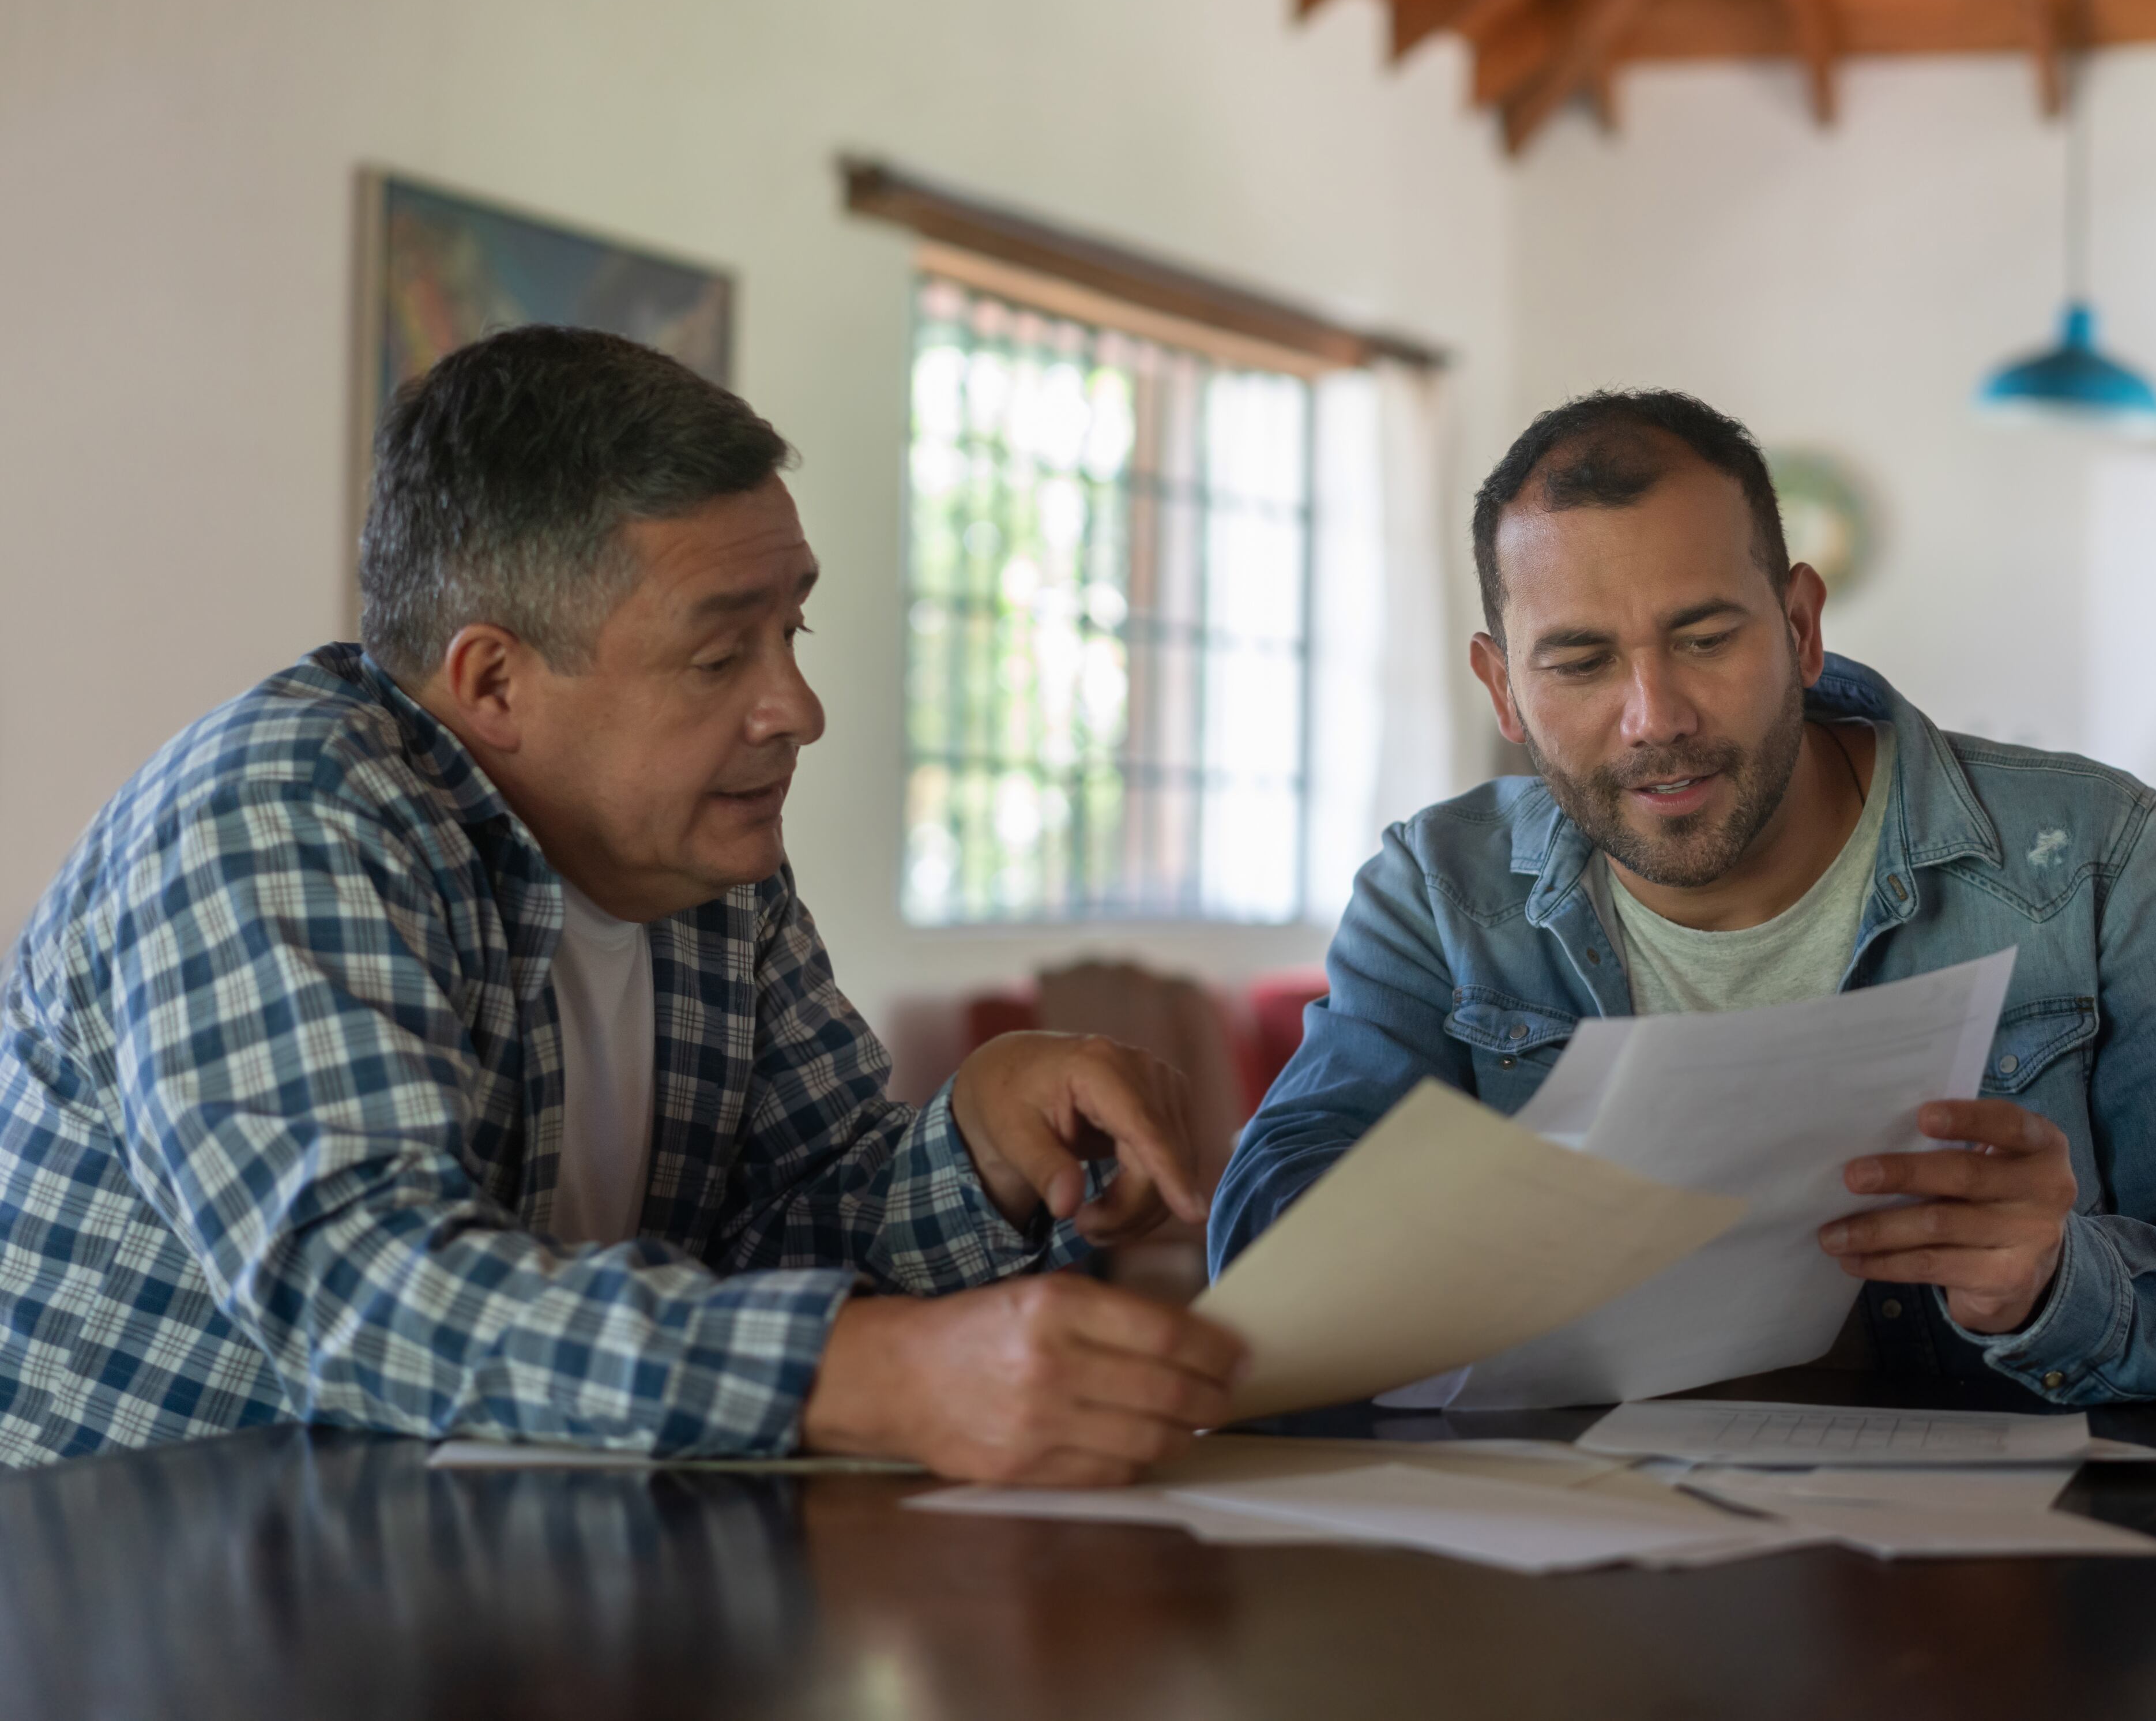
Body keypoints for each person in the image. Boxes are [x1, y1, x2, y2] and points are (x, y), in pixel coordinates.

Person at [0, 326, 1240, 1478]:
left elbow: (784, 1233)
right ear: (494, 682)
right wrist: (859, 1374)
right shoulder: (278, 814)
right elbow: (368, 1299)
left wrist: (982, 1143)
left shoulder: (696, 860)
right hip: (144, 1622)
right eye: (719, 657)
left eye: (792, 630)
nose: (797, 709)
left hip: (488, 1592)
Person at [1210, 389, 2156, 1404]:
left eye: (1705, 636)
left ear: (1802, 625)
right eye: (1576, 662)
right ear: (1500, 687)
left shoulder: (2089, 859)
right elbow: (1260, 1272)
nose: (1653, 715)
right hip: (1577, 1594)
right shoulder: (1435, 893)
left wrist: (2052, 1285)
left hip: (2006, 1597)